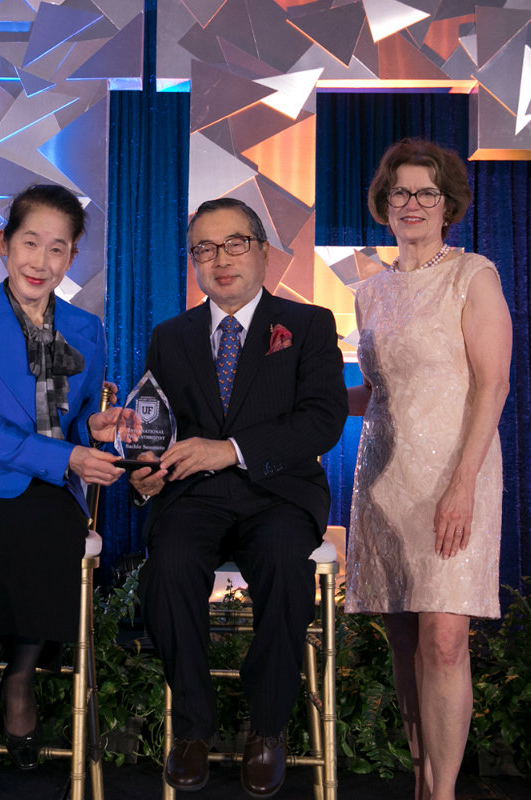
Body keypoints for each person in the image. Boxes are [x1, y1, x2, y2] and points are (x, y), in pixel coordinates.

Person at [131, 197, 348, 797]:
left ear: (262, 251)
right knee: (167, 567)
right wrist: (145, 471)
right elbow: (158, 430)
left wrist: (231, 449)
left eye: (233, 244)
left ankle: (268, 727)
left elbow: (323, 421)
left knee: (283, 564)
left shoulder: (308, 325)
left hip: (278, 493)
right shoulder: (169, 337)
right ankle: (194, 728)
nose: (220, 259)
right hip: (193, 497)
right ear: (194, 262)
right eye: (204, 248)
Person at [0, 184, 127, 772]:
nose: (41, 261)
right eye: (29, 243)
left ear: (71, 257)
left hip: (49, 484)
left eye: (57, 249)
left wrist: (102, 425)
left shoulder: (87, 328)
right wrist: (65, 458)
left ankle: (19, 679)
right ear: (5, 244)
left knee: (51, 531)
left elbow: (82, 419)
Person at [345, 138, 512, 800]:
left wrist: (462, 485)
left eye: (426, 193)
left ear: (449, 205)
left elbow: (493, 384)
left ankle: (441, 792)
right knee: (405, 641)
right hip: (383, 477)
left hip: (455, 475)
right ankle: (422, 779)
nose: (412, 204)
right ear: (384, 206)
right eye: (400, 193)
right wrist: (300, 394)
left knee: (445, 640)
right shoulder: (369, 292)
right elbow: (376, 393)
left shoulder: (474, 274)